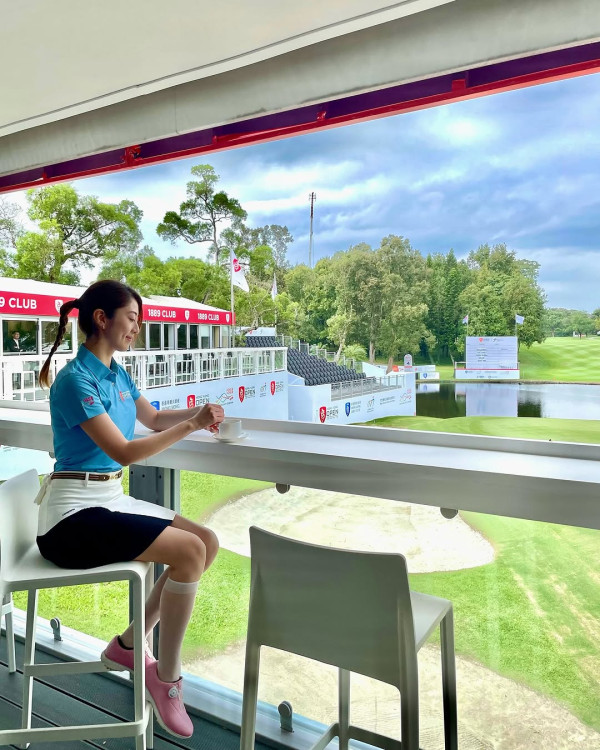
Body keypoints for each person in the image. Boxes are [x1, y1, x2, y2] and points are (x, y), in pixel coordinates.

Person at [37, 280, 224, 739]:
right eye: (132, 318)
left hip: (108, 499)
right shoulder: (75, 381)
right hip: (70, 518)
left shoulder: (116, 373)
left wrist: (199, 415)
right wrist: (192, 425)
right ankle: (166, 679)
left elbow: (153, 419)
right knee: (189, 552)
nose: (137, 328)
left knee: (207, 541)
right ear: (102, 319)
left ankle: (127, 644)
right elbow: (123, 451)